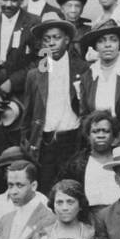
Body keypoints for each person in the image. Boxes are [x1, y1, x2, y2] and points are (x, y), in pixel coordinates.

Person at [24, 19, 90, 190]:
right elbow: (28, 114)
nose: (51, 42)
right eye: (47, 39)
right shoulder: (35, 74)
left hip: (72, 140)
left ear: (67, 40)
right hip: (45, 142)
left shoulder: (82, 69)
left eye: (56, 37)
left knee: (73, 188)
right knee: (46, 189)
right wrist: (27, 144)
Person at [79, 23, 120, 145]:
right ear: (95, 46)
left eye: (113, 40)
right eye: (101, 41)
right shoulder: (88, 75)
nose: (108, 45)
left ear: (119, 44)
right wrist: (93, 139)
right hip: (96, 143)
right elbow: (84, 114)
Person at [60, 111, 120, 211]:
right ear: (88, 136)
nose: (100, 135)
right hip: (89, 217)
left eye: (106, 131)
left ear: (114, 136)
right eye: (95, 131)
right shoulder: (77, 164)